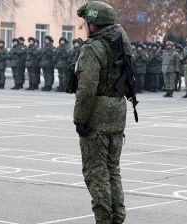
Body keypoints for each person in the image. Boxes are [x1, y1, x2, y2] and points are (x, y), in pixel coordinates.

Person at [74, 1, 131, 223]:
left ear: (94, 25)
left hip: (96, 117)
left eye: (87, 23)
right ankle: (117, 217)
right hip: (117, 114)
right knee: (112, 171)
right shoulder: (121, 44)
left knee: (96, 173)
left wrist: (80, 119)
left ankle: (104, 220)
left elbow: (86, 88)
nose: (85, 26)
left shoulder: (93, 48)